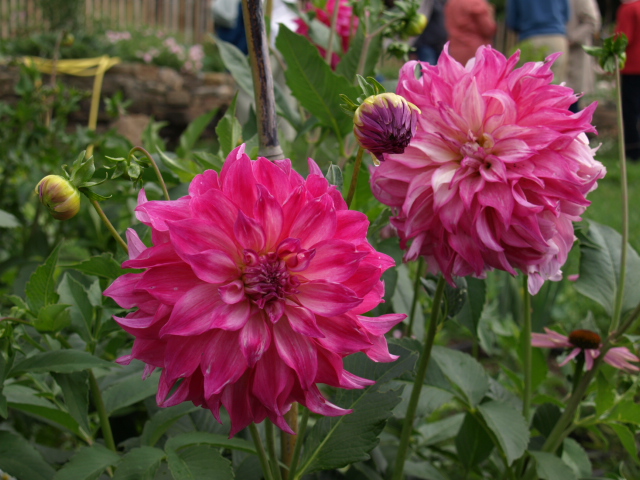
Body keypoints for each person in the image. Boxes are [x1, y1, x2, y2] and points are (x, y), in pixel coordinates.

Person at [506, 0, 570, 83]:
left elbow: (512, 21)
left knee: (527, 85)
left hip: (530, 39)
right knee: (556, 84)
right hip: (556, 37)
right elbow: (567, 16)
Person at [567, 0, 601, 112]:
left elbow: (593, 22)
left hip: (574, 56)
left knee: (571, 101)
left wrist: (570, 38)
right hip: (555, 55)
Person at [616, 0, 640, 161]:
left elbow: (624, 38)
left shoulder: (628, 8)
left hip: (632, 65)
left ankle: (632, 149)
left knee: (630, 110)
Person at [444, 0, 496, 65]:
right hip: (475, 51)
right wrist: (490, 14)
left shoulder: (451, 3)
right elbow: (488, 29)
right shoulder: (476, 3)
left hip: (455, 50)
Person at [413, 0, 448, 64]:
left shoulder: (444, 3)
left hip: (441, 45)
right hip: (426, 45)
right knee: (428, 70)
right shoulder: (427, 3)